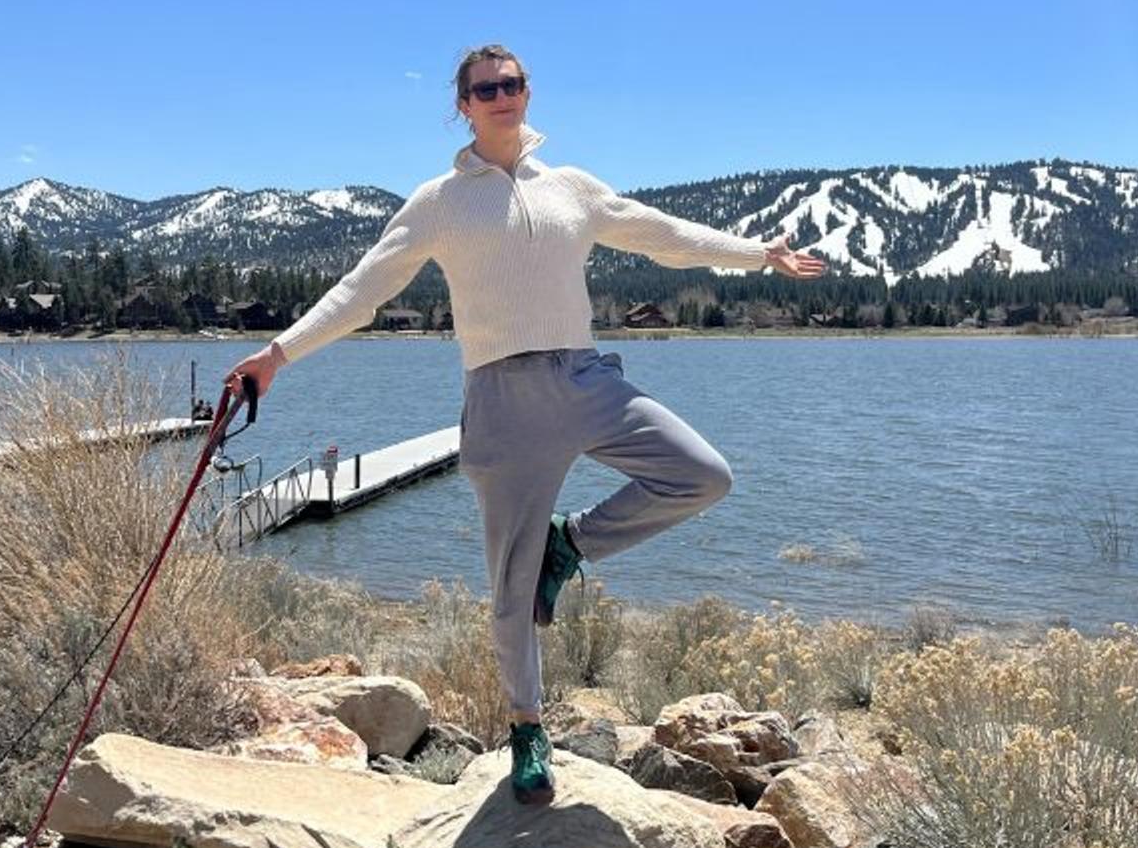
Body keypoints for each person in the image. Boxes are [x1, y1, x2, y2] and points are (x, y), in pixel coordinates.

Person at [228, 44, 825, 805]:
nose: (501, 96)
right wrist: (278, 355)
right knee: (511, 585)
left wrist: (756, 254)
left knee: (701, 475)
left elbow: (660, 234)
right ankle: (527, 730)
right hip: (502, 397)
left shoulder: (572, 188)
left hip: (582, 378)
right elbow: (362, 290)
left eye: (511, 84)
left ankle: (571, 543)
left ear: (527, 92)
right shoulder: (440, 201)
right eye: (485, 89)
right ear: (463, 105)